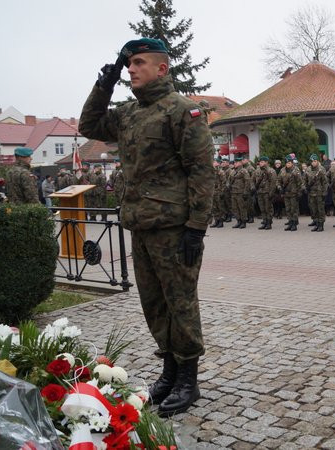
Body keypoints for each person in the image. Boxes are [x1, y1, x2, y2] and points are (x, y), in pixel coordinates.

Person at [79, 37, 213, 417]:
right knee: (154, 304)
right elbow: (89, 124)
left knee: (180, 303)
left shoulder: (183, 112)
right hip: (141, 224)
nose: (132, 70)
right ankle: (168, 373)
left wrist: (196, 227)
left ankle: (188, 379)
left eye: (138, 63)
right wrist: (104, 84)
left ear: (162, 68)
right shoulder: (129, 114)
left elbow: (201, 171)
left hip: (175, 227)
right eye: (129, 64)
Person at [279, 156, 304, 231]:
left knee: (294, 209)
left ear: (292, 163)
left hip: (294, 193)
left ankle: (294, 224)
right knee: (288, 209)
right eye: (286, 163)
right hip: (286, 193)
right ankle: (290, 223)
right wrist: (279, 187)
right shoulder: (282, 170)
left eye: (289, 163)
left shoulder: (296, 170)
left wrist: (299, 192)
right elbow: (278, 180)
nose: (288, 164)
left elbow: (300, 182)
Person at [305, 154, 329, 231]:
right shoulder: (308, 169)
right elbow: (304, 180)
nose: (313, 162)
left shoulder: (321, 169)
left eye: (315, 161)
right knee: (313, 209)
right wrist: (305, 188)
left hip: (319, 193)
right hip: (311, 192)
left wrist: (324, 192)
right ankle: (316, 223)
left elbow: (325, 182)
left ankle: (321, 225)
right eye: (312, 161)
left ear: (317, 161)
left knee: (320, 209)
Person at [253, 156, 277, 230]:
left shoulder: (271, 171)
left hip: (267, 192)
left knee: (268, 208)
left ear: (266, 162)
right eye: (260, 162)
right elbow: (252, 180)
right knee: (262, 208)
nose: (260, 163)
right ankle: (264, 221)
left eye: (262, 162)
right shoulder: (257, 171)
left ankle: (269, 223)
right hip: (260, 192)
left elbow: (273, 183)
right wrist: (253, 188)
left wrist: (271, 193)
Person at [228, 156, 251, 229]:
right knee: (235, 208)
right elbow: (228, 180)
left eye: (236, 162)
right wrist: (228, 185)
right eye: (234, 162)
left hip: (241, 192)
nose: (235, 163)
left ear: (240, 163)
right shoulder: (233, 171)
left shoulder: (244, 171)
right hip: (233, 192)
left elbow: (247, 181)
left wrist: (245, 192)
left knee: (242, 208)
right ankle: (238, 221)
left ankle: (243, 222)